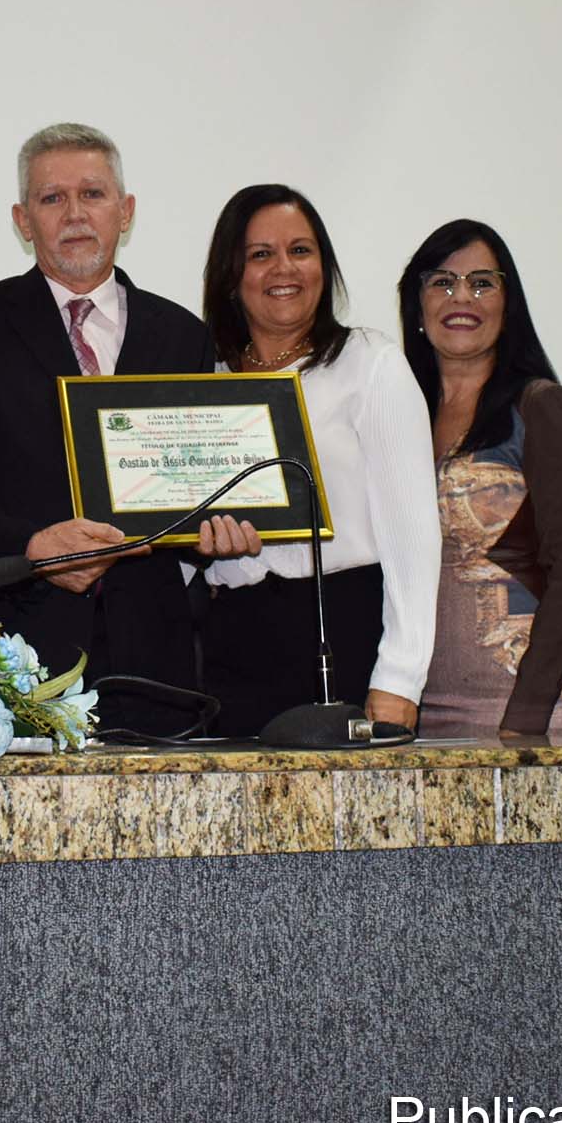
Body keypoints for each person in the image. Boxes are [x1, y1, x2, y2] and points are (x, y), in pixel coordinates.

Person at [0, 124, 256, 724]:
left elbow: (193, 487)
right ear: (24, 221)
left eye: (93, 194)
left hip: (153, 661)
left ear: (125, 212)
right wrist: (32, 547)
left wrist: (218, 532)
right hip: (10, 656)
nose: (75, 213)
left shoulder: (182, 335)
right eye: (52, 198)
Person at [197, 185, 440, 737]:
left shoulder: (370, 364)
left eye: (301, 250)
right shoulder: (207, 382)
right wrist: (195, 543)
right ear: (231, 276)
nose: (284, 268)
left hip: (344, 633)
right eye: (260, 254)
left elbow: (414, 537)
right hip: (233, 645)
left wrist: (400, 677)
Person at [396, 220, 562, 740]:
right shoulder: (397, 415)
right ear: (416, 306)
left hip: (524, 707)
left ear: (509, 305)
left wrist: (527, 716)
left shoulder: (541, 406)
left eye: (482, 283)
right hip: (409, 706)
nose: (462, 297)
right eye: (441, 282)